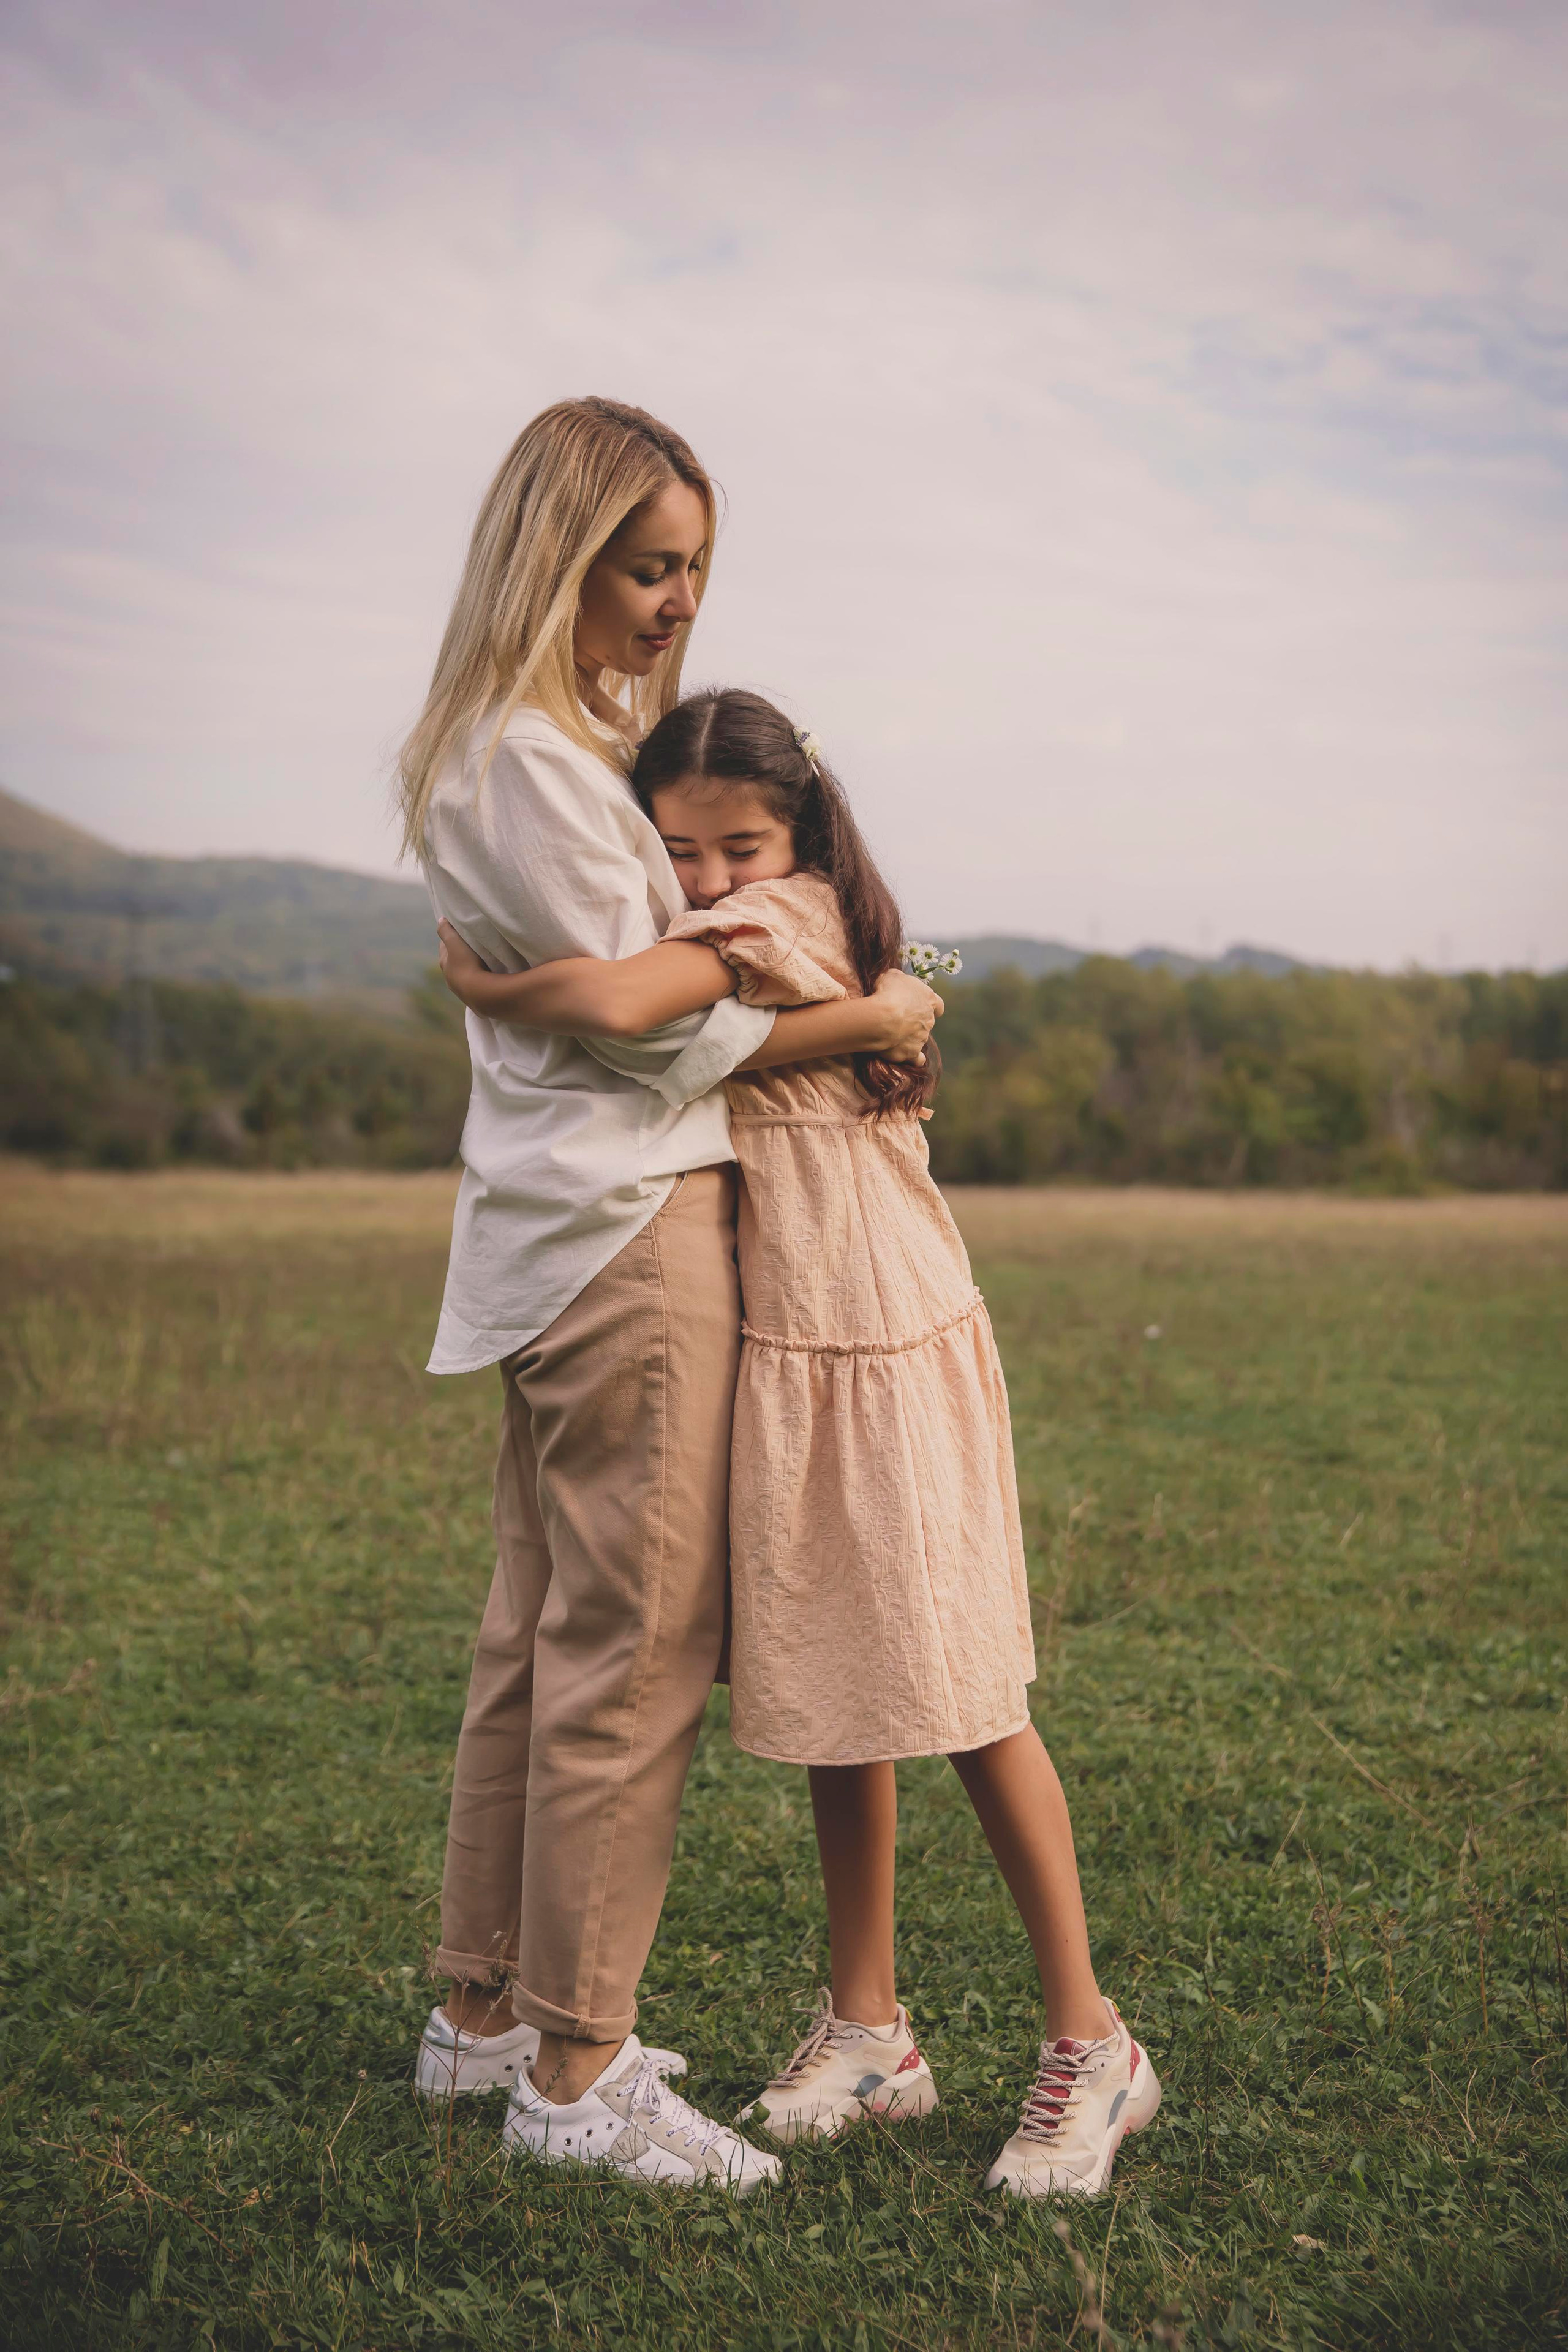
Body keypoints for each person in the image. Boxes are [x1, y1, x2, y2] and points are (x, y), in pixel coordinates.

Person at [437, 687, 1163, 2199]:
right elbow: (775, 1023)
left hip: (880, 1342)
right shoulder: (803, 935)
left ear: (802, 833)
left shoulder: (781, 918)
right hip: (798, 1348)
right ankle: (868, 2024)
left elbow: (639, 1018)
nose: (706, 879)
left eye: (737, 842)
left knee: (963, 1690)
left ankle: (1093, 2044)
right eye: (678, 850)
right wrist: (876, 1006)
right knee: (844, 1677)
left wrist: (497, 995)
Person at [401, 402, 941, 2195]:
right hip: (629, 1237)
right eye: (648, 564)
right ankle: (579, 2066)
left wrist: (537, 991)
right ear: (558, 552)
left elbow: (611, 993)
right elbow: (669, 1036)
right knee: (630, 1658)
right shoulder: (547, 766)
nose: (674, 603)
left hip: (550, 1235)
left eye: (695, 568)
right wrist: (866, 1021)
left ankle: (483, 2019)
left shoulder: (512, 745)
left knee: (537, 1632)